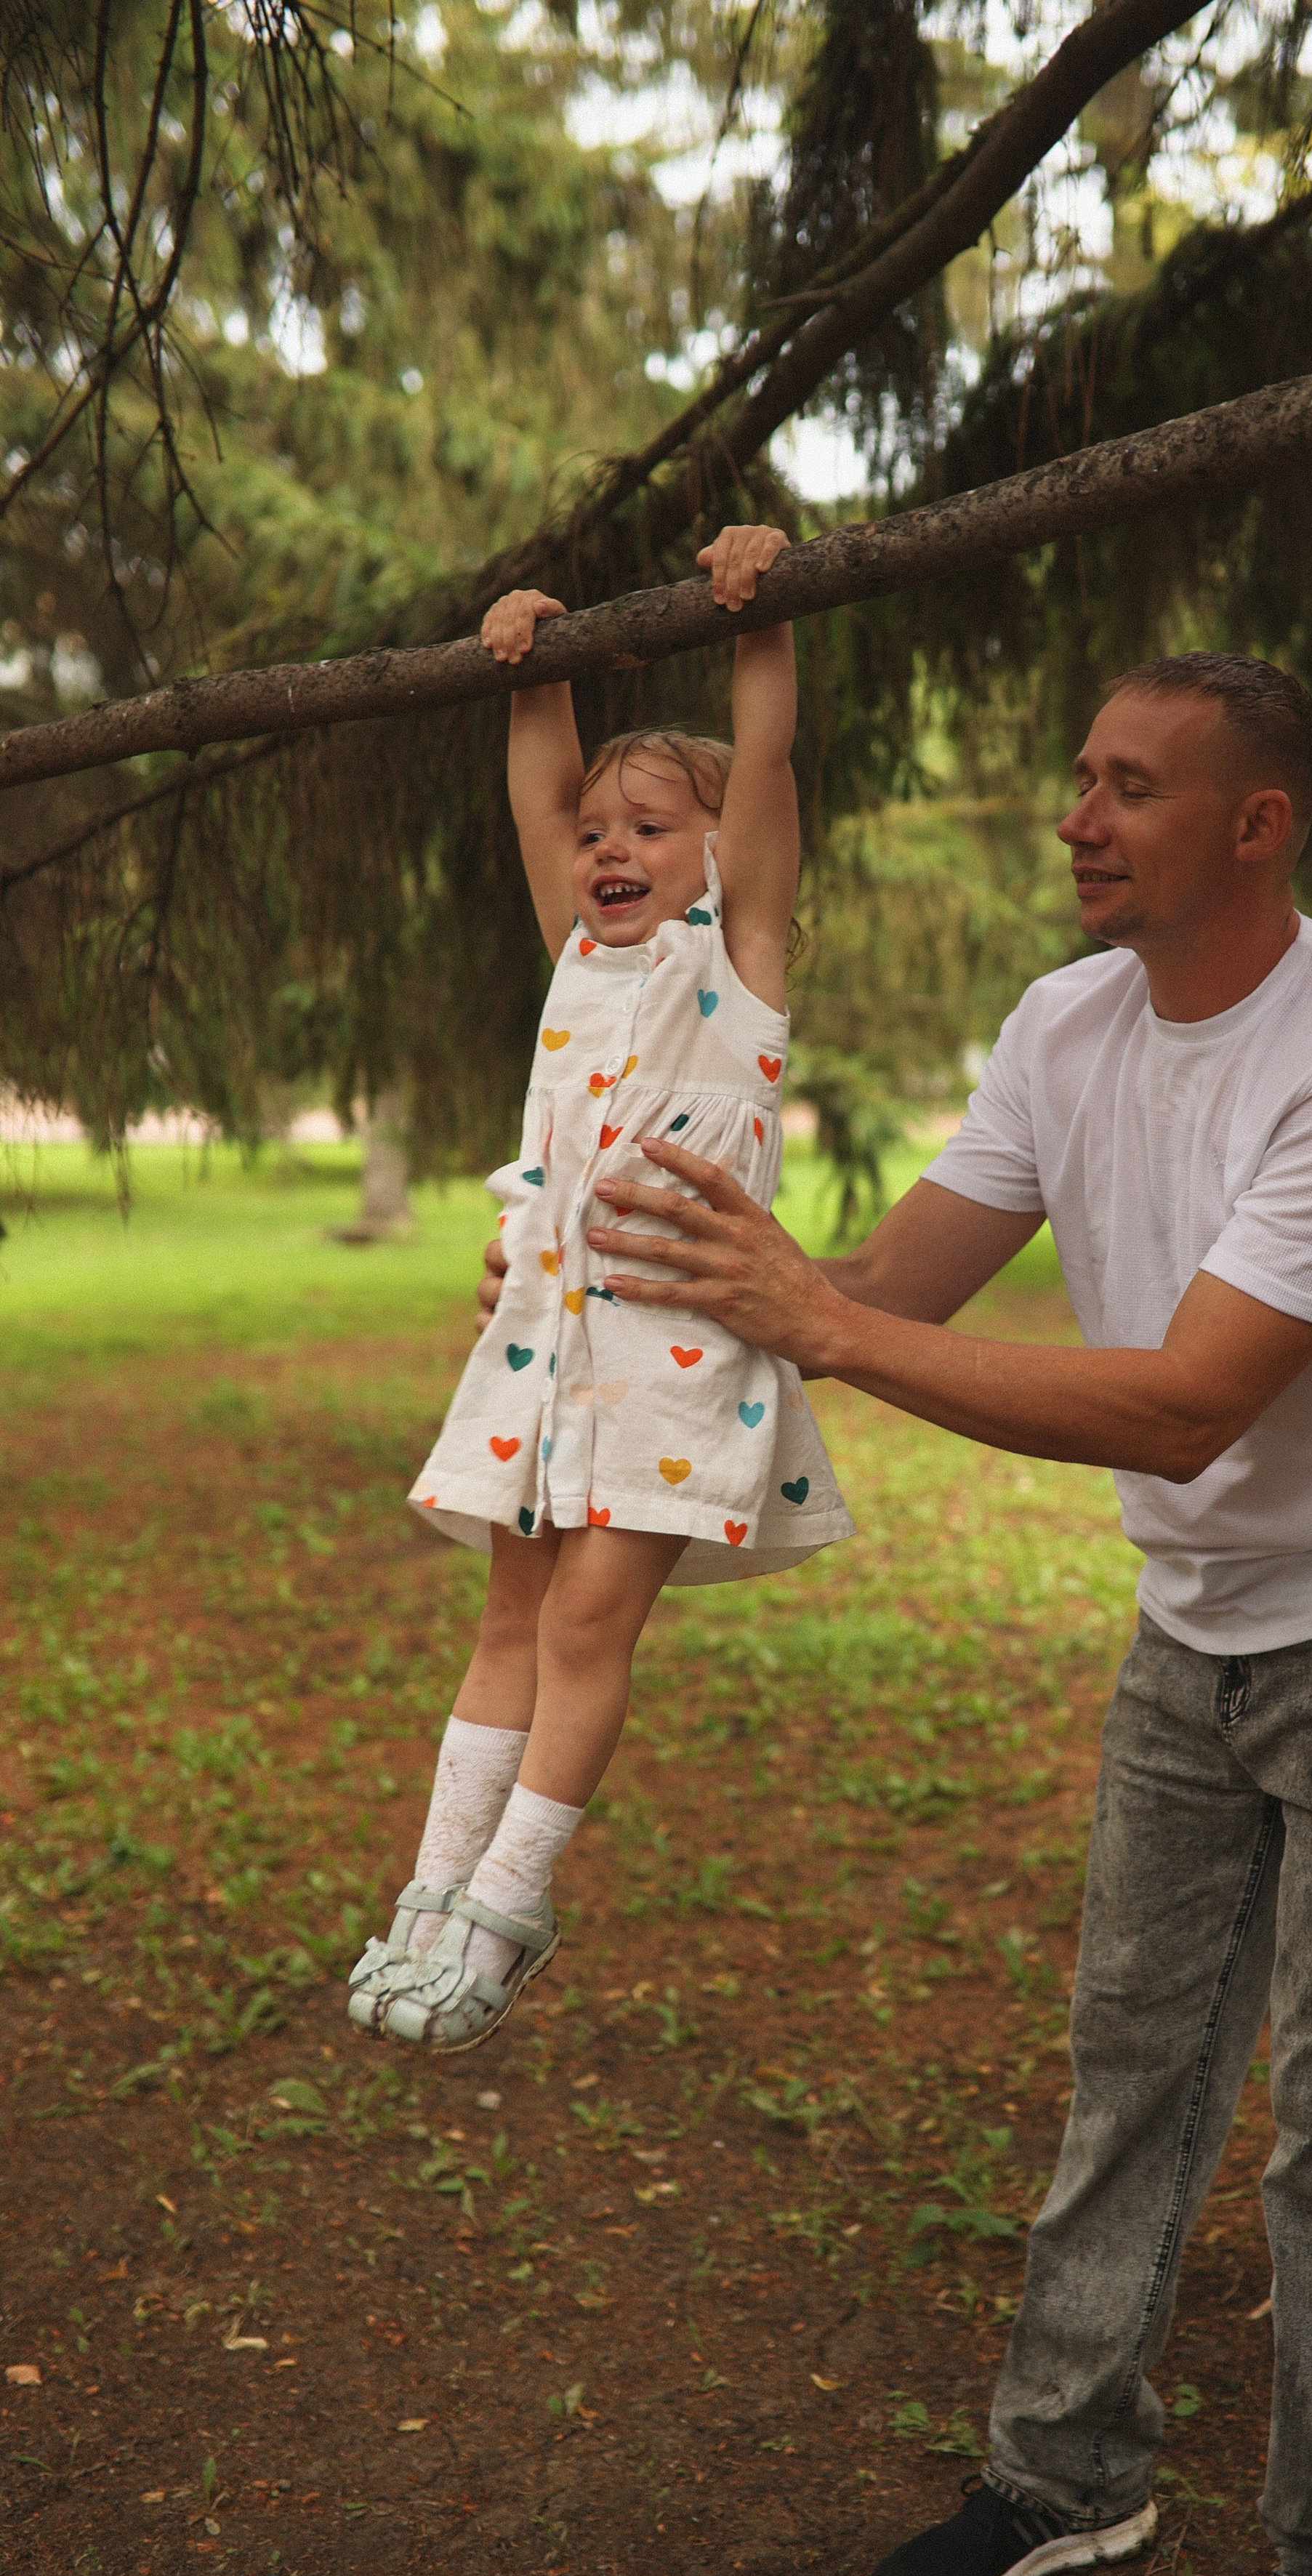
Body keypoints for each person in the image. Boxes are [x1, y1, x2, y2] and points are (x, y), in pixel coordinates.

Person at [478, 649, 1312, 2576]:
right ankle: (1067, 2477)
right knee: (1129, 2065)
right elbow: (881, 1286)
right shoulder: (1066, 1022)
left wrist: (815, 1333)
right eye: (1078, 774)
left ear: (1257, 825)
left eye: (1130, 786)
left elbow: (1194, 1404)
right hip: (1193, 1632)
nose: (1077, 814)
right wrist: (609, 1300)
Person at [346, 526, 850, 2056]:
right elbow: (534, 798)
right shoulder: (578, 957)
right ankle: (430, 1892)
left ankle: (509, 1904)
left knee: (583, 1631)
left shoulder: (737, 967)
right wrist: (531, 668)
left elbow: (762, 771)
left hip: (674, 1362)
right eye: (597, 833)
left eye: (651, 825)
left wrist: (762, 620)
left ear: (716, 856)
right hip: (540, 1349)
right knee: (506, 1620)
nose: (609, 847)